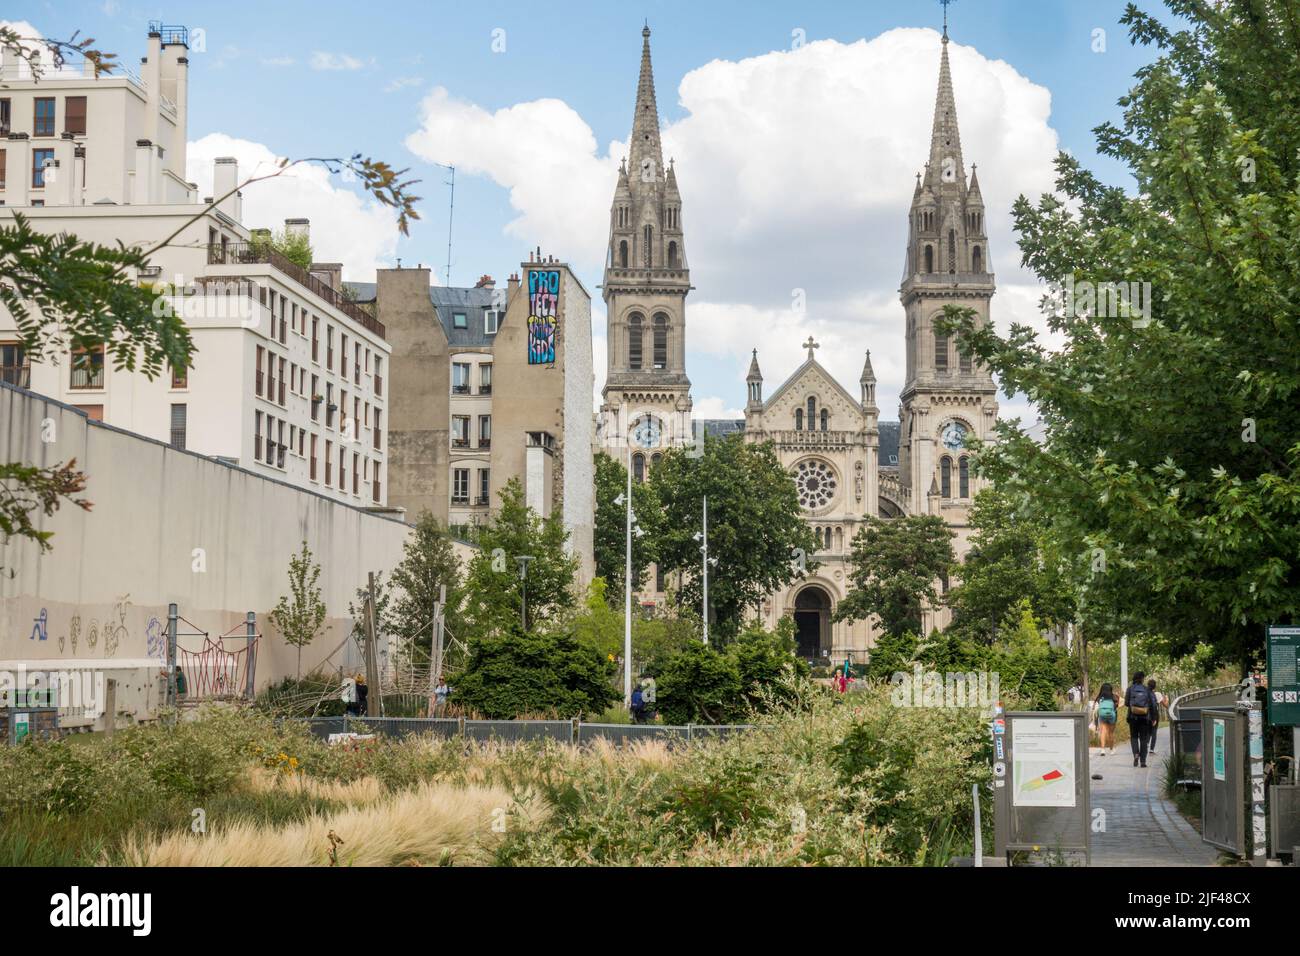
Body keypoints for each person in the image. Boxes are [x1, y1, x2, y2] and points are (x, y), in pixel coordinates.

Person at [1124, 670, 1155, 767]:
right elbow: (1152, 704)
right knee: (1143, 739)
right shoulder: (1146, 689)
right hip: (1144, 718)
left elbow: (1126, 703)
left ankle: (1136, 754)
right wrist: (1153, 717)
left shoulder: (1130, 689)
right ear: (1142, 679)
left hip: (1133, 717)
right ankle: (1143, 761)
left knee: (1134, 737)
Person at [1093, 682, 1120, 755]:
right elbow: (1118, 705)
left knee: (1103, 731)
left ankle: (1102, 750)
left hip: (1102, 715)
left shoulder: (1099, 698)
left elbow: (1096, 706)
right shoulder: (1114, 697)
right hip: (1112, 715)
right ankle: (1111, 750)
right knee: (1110, 733)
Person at [1147, 677, 1165, 754]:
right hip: (1154, 714)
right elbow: (1165, 704)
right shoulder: (1157, 694)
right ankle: (1151, 749)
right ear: (1155, 686)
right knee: (1154, 731)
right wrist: (1166, 700)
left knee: (1147, 730)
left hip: (1146, 714)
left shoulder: (1145, 693)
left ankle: (1146, 744)